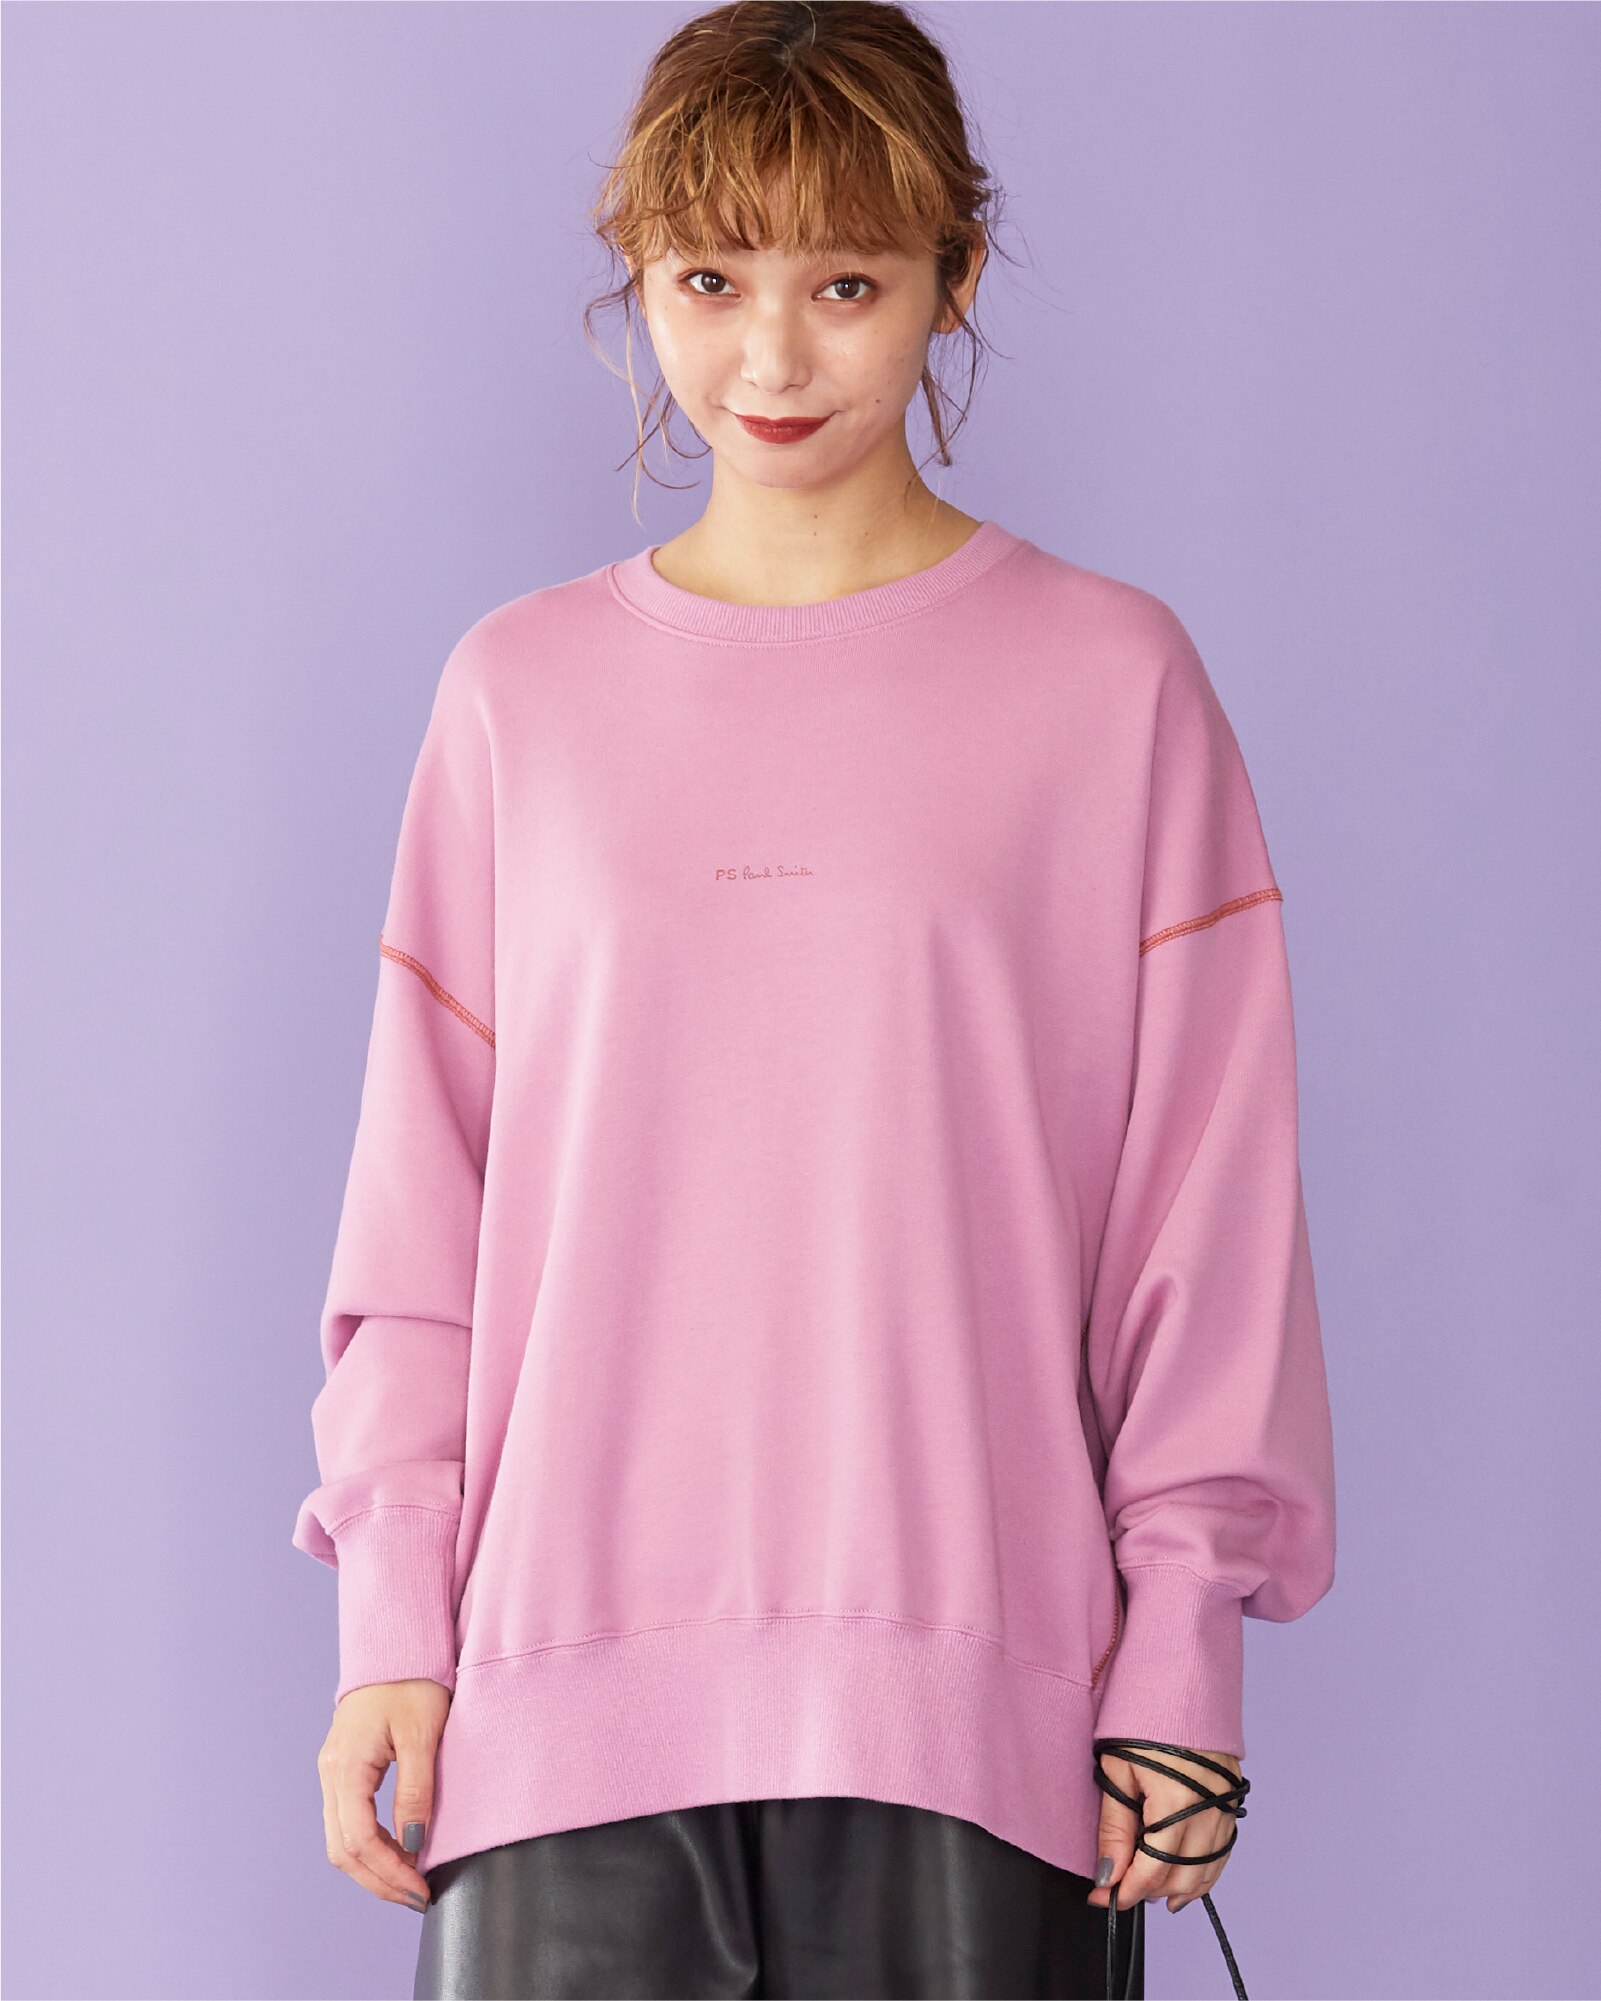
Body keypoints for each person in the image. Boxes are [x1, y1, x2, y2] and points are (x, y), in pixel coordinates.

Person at [291, 3, 1338, 1996]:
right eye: (711, 281)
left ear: (955, 275)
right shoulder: (518, 697)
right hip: (552, 1702)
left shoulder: (1111, 685)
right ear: (638, 280)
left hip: (980, 1712)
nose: (771, 359)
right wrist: (391, 1623)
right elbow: (422, 1216)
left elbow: (1209, 1216)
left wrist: (1182, 1633)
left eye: (845, 283)